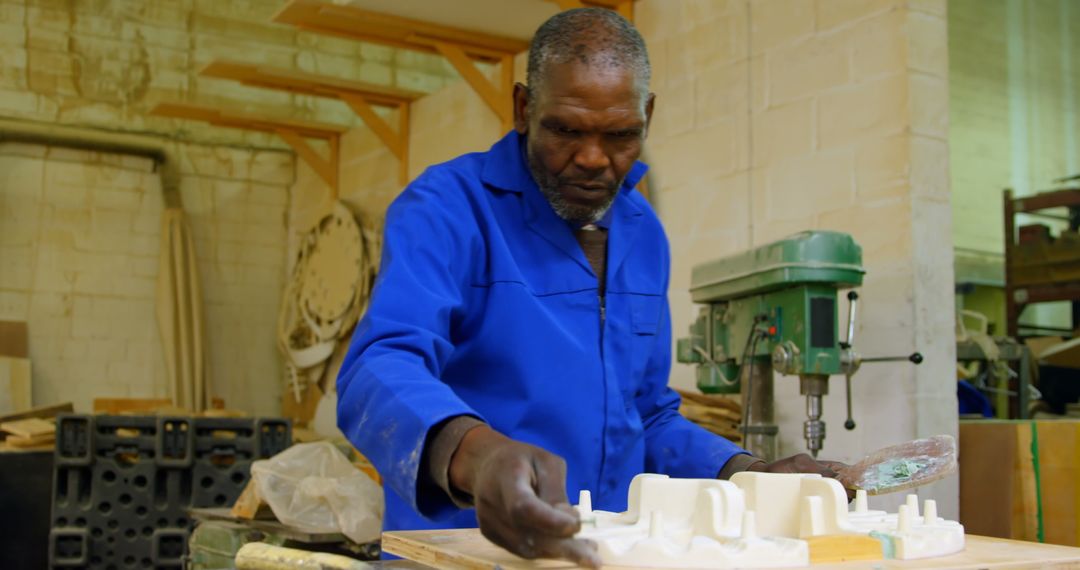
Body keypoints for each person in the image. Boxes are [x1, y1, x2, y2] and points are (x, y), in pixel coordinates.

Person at [337, 8, 846, 568]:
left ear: (647, 116)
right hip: (464, 553)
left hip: (603, 553)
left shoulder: (643, 232)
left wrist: (747, 473)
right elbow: (378, 367)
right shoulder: (449, 208)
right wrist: (476, 456)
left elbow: (648, 417)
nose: (593, 158)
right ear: (524, 108)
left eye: (621, 135)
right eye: (567, 130)